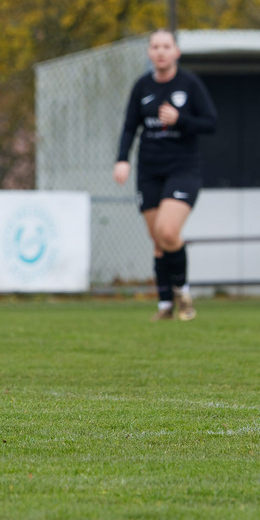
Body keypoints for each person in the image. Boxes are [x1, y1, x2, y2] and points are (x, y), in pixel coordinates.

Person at [113, 28, 217, 322]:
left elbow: (210, 123)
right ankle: (164, 306)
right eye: (155, 46)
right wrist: (122, 159)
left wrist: (180, 119)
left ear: (176, 52)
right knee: (157, 239)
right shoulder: (142, 86)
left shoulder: (190, 84)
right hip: (149, 170)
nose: (160, 51)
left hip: (183, 169)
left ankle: (182, 292)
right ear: (149, 52)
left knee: (168, 231)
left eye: (166, 46)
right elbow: (130, 127)